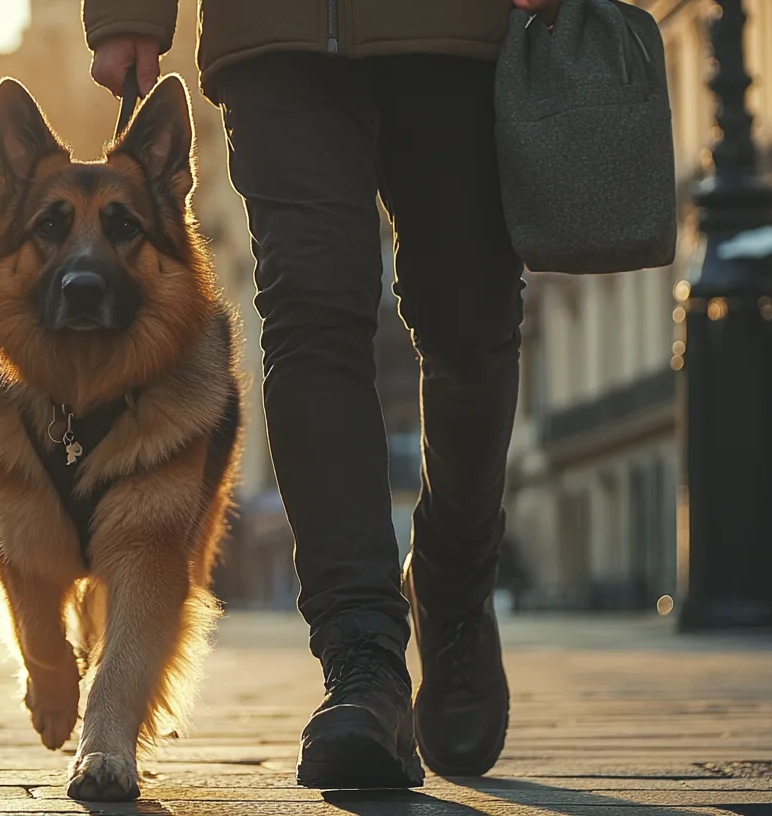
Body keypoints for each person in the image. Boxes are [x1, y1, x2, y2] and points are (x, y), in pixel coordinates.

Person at [84, 0, 560, 788]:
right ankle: (361, 660)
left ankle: (453, 584)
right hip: (276, 31)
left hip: (452, 29)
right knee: (308, 314)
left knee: (470, 324)